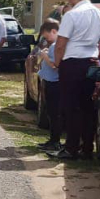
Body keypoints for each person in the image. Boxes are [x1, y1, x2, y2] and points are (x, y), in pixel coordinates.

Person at [50, 0, 100, 161]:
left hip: (73, 62)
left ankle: (71, 148)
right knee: (87, 107)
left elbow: (61, 44)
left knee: (71, 107)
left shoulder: (72, 14)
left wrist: (57, 64)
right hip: (91, 61)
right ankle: (87, 148)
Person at [35, 19, 64, 152]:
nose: (46, 39)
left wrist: (44, 56)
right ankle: (52, 140)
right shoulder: (54, 45)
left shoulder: (56, 45)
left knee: (54, 113)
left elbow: (54, 65)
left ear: (53, 31)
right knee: (51, 113)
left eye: (46, 36)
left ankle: (55, 141)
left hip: (54, 83)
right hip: (50, 82)